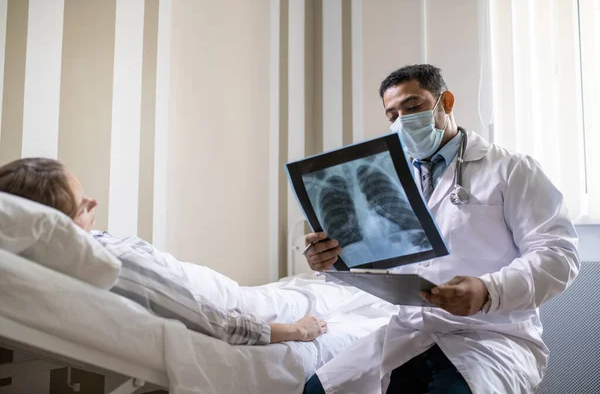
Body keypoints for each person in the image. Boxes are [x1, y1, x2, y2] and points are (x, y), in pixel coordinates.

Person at [302, 64, 580, 393]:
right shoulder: (392, 180)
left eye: (413, 106)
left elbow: (558, 254)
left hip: (490, 336)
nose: (402, 120)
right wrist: (331, 260)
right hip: (411, 331)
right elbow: (382, 258)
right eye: (392, 115)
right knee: (317, 389)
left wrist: (488, 291)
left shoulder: (511, 169)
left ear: (446, 102)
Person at [0, 157, 327, 346]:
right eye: (82, 204)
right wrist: (298, 330)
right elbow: (213, 321)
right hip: (240, 304)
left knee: (317, 286)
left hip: (231, 293)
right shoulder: (112, 263)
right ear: (56, 223)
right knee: (327, 296)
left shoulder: (58, 256)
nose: (94, 203)